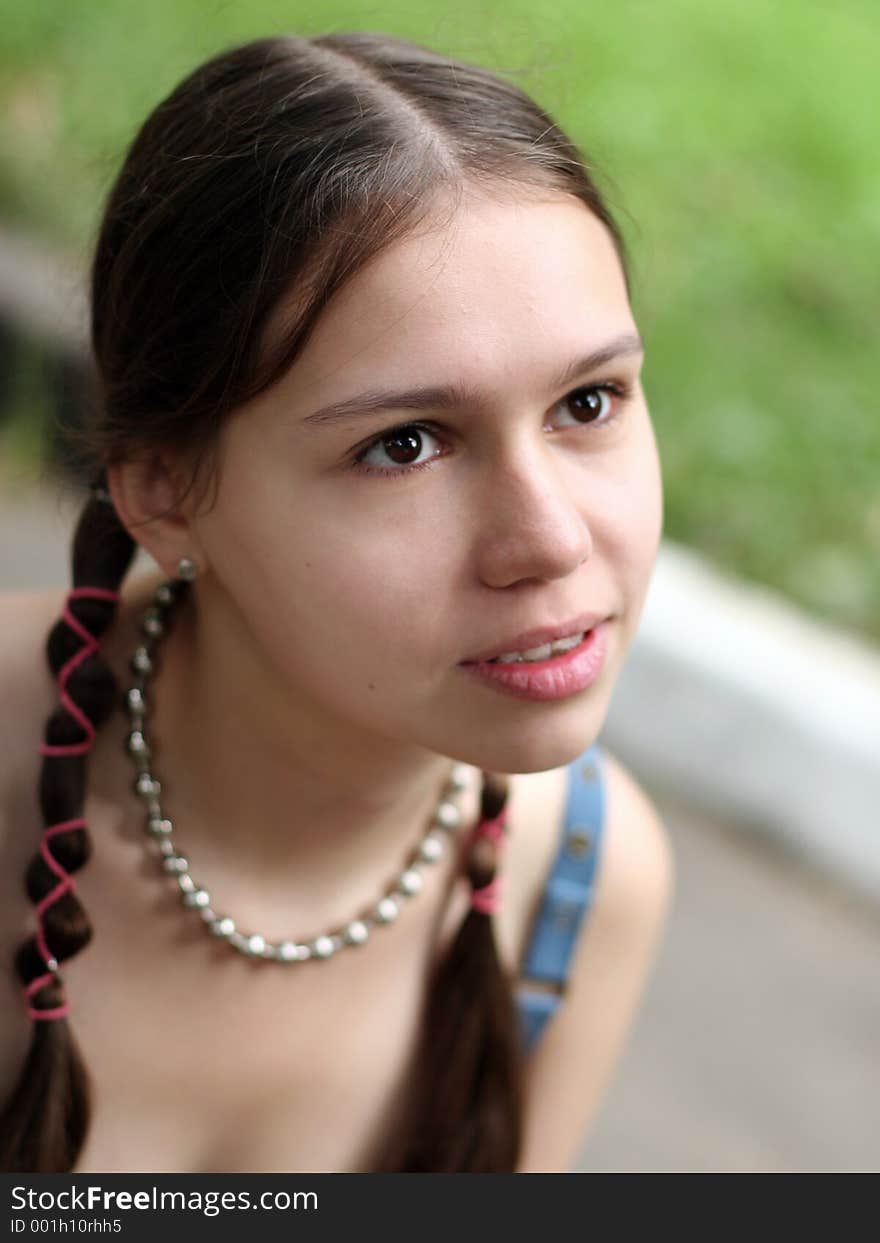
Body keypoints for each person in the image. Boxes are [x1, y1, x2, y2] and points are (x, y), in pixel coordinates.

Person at [0, 31, 674, 1174]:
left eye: (589, 401)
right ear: (164, 490)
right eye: (405, 444)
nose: (551, 540)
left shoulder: (585, 883)